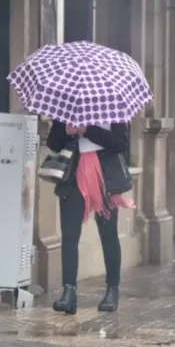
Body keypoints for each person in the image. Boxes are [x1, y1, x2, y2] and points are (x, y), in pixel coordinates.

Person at [46, 120, 132, 315]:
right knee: (69, 235)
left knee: (108, 233)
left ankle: (112, 290)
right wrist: (67, 131)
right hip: (73, 175)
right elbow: (53, 142)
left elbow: (121, 144)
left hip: (106, 176)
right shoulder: (68, 105)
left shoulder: (112, 105)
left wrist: (88, 131)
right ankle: (69, 291)